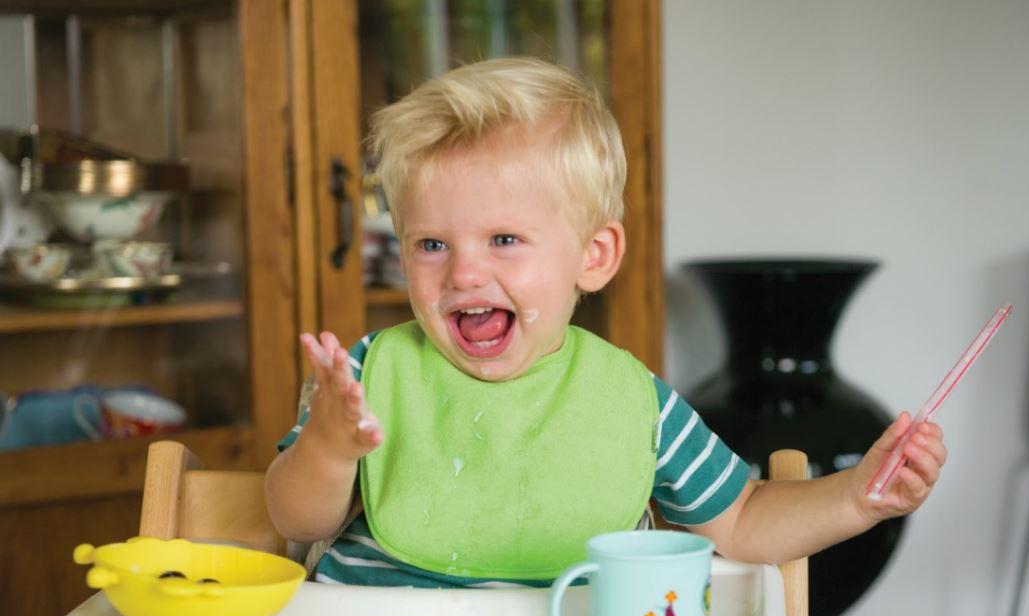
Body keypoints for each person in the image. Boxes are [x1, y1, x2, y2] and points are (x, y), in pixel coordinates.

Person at [264, 57, 946, 587]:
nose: (464, 273)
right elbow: (295, 518)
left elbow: (741, 518)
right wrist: (328, 448)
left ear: (592, 256)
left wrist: (858, 497)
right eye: (431, 244)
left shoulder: (632, 401)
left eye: (504, 239)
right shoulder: (366, 375)